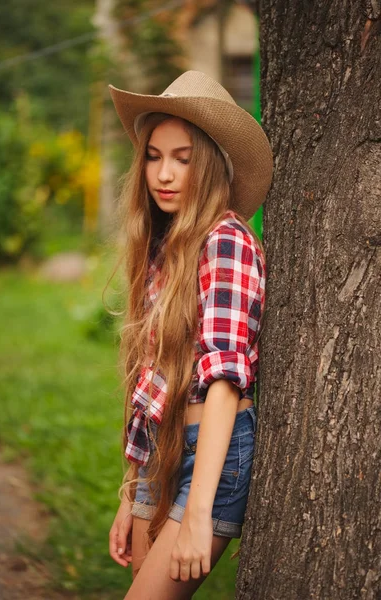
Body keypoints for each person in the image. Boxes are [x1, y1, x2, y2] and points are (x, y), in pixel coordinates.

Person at [106, 70, 273, 599]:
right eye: (154, 155)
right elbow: (151, 382)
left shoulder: (225, 241)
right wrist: (129, 493)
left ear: (209, 162)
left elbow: (225, 378)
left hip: (212, 456)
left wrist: (198, 513)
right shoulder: (162, 247)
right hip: (159, 449)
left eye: (182, 157)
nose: (164, 173)